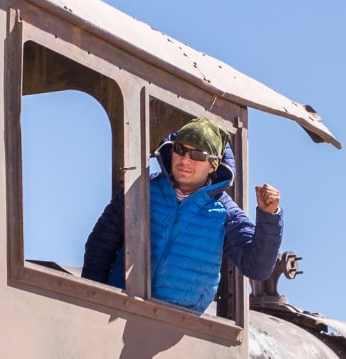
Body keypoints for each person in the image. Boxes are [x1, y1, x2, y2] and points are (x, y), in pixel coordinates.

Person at [81, 117, 283, 312]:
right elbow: (100, 245)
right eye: (181, 149)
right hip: (121, 308)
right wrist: (95, 302)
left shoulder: (225, 213)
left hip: (179, 326)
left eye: (197, 154)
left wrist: (269, 216)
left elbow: (257, 268)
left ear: (213, 165)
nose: (185, 160)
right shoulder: (141, 189)